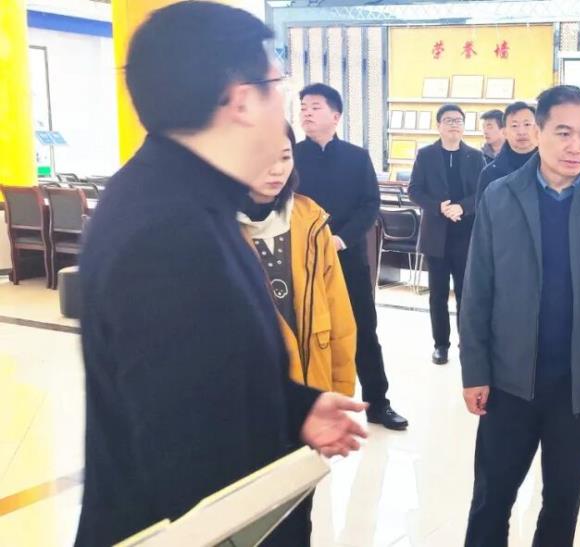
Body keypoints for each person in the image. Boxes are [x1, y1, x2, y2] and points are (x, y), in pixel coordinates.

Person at [75, 4, 367, 545]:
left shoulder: (191, 197)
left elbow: (210, 375)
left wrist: (295, 409)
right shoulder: (165, 231)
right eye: (278, 85)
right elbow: (187, 458)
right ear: (241, 100)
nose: (287, 105)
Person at [460, 85, 580, 547]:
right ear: (538, 131)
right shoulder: (500, 196)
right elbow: (477, 290)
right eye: (563, 133)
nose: (575, 146)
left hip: (579, 385)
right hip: (509, 380)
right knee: (491, 498)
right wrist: (475, 369)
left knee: (563, 502)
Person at [295, 83, 409, 430]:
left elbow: (370, 205)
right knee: (308, 331)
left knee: (363, 330)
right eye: (303, 107)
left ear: (336, 116)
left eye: (315, 106)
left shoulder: (357, 157)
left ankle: (378, 403)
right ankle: (308, 406)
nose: (306, 112)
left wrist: (341, 239)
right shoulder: (291, 156)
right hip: (304, 262)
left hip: (348, 258)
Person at [239, 122, 358, 394]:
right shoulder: (215, 228)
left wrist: (341, 389)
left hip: (313, 382)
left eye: (285, 156)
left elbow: (339, 312)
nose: (277, 169)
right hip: (250, 395)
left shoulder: (311, 220)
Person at [408, 104, 485, 365]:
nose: (454, 124)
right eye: (449, 120)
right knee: (438, 295)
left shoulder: (475, 156)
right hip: (436, 236)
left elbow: (483, 192)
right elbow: (414, 190)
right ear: (438, 125)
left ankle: (467, 343)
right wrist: (438, 207)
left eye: (459, 120)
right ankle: (440, 345)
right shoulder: (426, 155)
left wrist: (462, 207)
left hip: (466, 235)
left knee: (466, 294)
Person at [476, 101, 537, 198]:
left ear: (538, 128)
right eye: (514, 126)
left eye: (527, 124)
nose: (521, 132)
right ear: (505, 132)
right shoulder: (490, 173)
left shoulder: (554, 168)